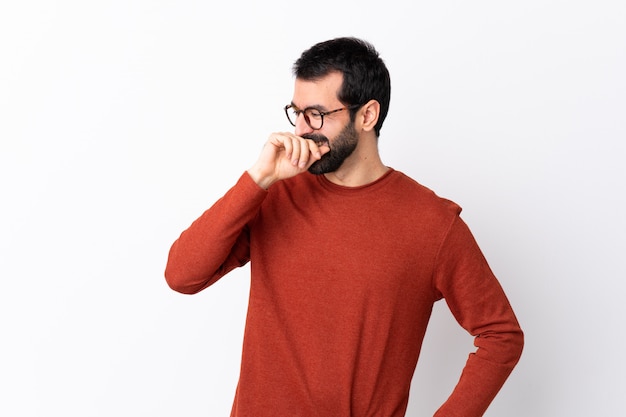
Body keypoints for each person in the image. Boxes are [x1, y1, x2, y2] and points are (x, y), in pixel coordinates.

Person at [165, 37, 524, 417]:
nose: (302, 130)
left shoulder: (432, 223)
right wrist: (258, 178)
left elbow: (500, 335)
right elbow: (182, 275)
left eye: (317, 114)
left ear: (367, 115)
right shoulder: (275, 194)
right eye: (297, 112)